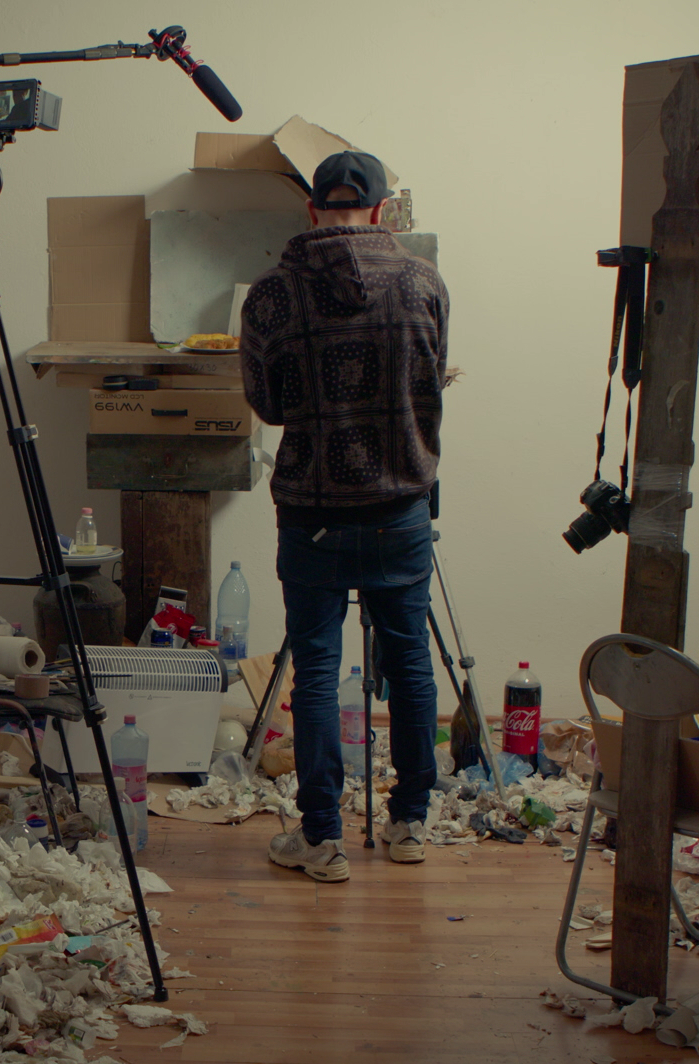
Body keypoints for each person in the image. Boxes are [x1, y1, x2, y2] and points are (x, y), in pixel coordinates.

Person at [238, 150, 449, 883]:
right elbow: (430, 380)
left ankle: (323, 840)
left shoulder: (271, 293)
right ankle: (410, 825)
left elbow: (266, 405)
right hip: (401, 505)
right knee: (412, 664)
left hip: (314, 513)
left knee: (319, 669)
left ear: (311, 209)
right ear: (385, 211)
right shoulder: (423, 282)